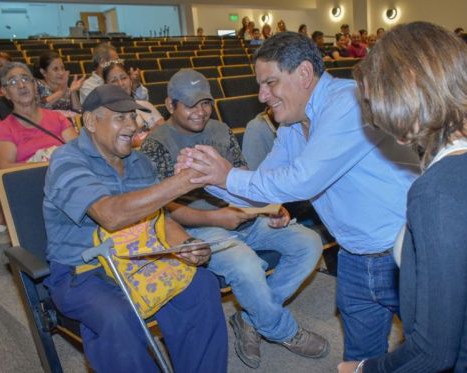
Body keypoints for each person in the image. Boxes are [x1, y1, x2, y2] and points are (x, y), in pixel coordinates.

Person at [175, 31, 417, 363]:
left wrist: (225, 173)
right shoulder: (291, 127)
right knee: (362, 358)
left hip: (405, 252)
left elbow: (302, 180)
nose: (262, 96)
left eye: (269, 83)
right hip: (355, 256)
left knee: (431, 353)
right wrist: (204, 176)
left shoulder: (347, 102)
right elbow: (260, 191)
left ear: (304, 73)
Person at [339, 21, 467, 373]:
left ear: (410, 91)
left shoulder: (439, 193)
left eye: (382, 105)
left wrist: (365, 369)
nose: (381, 121)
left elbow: (432, 352)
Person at [140, 69, 327, 369]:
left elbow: (242, 176)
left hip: (241, 214)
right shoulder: (156, 144)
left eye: (204, 103)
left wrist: (269, 208)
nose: (200, 112)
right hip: (197, 228)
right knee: (246, 265)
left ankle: (250, 317)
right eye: (190, 105)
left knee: (308, 243)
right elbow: (163, 210)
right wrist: (215, 217)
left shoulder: (220, 129)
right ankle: (282, 329)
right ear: (170, 105)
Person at [43, 84, 228, 373]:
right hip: (83, 271)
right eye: (121, 118)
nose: (132, 125)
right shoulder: (67, 160)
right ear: (91, 121)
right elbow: (110, 215)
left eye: (133, 117)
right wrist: (184, 181)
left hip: (140, 258)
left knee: (201, 285)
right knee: (117, 316)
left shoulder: (139, 162)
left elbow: (159, 218)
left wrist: (185, 243)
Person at [0, 62, 78, 169]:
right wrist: (45, 163)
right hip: (34, 180)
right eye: (13, 82)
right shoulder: (5, 128)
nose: (21, 85)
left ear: (34, 85)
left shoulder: (57, 117)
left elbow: (77, 150)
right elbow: (4, 168)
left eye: (25, 79)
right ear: (5, 92)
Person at [102, 62, 164, 146]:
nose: (121, 84)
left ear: (130, 81)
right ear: (106, 87)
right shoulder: (106, 114)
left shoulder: (145, 105)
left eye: (124, 78)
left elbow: (165, 131)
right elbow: (122, 144)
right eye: (114, 80)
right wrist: (151, 133)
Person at [80, 43, 148, 103]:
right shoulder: (88, 86)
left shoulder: (122, 78)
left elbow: (144, 100)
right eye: (115, 61)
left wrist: (136, 86)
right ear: (103, 62)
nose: (118, 64)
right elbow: (104, 108)